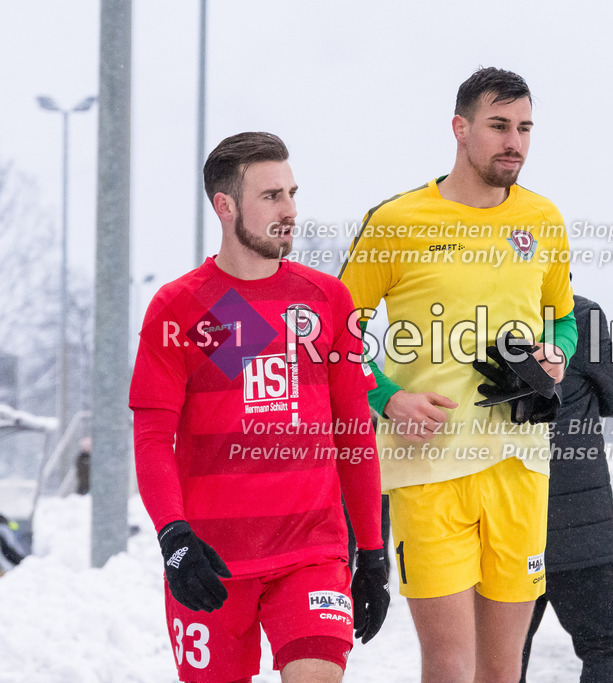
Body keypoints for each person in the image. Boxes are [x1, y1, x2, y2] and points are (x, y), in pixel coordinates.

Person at [340, 67, 577, 682]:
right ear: (460, 128)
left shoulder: (544, 220)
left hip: (521, 465)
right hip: (431, 470)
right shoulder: (396, 221)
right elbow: (332, 338)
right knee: (450, 664)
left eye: (524, 128)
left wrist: (554, 354)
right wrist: (389, 399)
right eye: (499, 126)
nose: (514, 142)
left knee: (502, 671)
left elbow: (565, 320)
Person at [130, 132, 389, 683]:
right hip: (211, 563)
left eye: (292, 193)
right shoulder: (181, 306)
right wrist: (174, 538)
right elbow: (154, 438)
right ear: (225, 206)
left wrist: (371, 550)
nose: (290, 210)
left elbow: (354, 434)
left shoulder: (325, 300)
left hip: (312, 556)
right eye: (272, 196)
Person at [520, 294, 613, 683]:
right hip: (581, 522)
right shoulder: (582, 316)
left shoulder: (479, 313)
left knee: (499, 654)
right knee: (605, 644)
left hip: (504, 514)